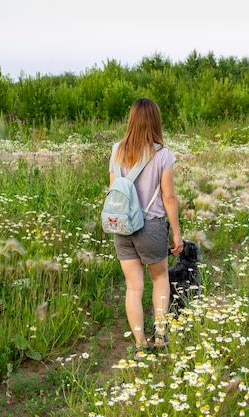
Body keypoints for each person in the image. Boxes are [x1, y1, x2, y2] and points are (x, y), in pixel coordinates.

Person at [108, 98, 184, 359]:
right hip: (151, 226)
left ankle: (140, 346)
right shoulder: (162, 155)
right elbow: (169, 197)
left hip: (122, 227)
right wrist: (176, 232)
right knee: (160, 278)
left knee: (133, 287)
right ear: (155, 121)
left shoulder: (117, 151)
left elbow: (115, 192)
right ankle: (161, 335)